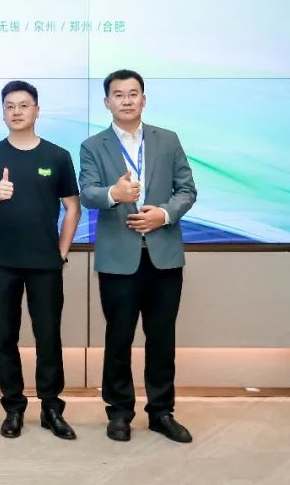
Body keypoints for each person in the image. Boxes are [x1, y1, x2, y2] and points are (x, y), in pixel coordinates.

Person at [79, 69, 197, 444]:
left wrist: (164, 214)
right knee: (119, 339)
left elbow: (187, 189)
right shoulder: (93, 145)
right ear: (107, 102)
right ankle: (119, 412)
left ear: (143, 99)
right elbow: (87, 193)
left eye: (133, 94)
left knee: (162, 339)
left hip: (164, 255)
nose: (127, 100)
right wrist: (113, 194)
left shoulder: (168, 139)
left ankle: (161, 412)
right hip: (118, 258)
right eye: (119, 94)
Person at [0, 80, 80, 440]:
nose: (16, 111)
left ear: (37, 110)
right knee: (5, 337)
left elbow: (72, 206)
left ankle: (51, 408)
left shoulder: (57, 156)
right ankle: (13, 408)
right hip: (1, 263)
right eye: (10, 106)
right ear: (3, 112)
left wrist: (62, 250)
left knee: (48, 337)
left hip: (45, 265)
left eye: (23, 105)